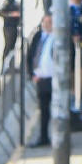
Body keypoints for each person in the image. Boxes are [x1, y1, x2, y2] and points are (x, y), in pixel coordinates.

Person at [27, 13, 58, 148]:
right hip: (41, 79)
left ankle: (58, 136)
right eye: (45, 22)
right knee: (44, 110)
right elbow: (30, 55)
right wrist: (32, 74)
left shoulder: (58, 38)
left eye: (50, 22)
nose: (47, 25)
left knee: (57, 109)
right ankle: (43, 136)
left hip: (54, 79)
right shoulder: (38, 36)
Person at [0, 0, 22, 65]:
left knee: (12, 47)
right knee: (8, 46)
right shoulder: (7, 2)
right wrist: (11, 14)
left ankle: (10, 64)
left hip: (14, 27)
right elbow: (1, 13)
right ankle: (4, 64)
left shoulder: (16, 3)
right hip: (8, 27)